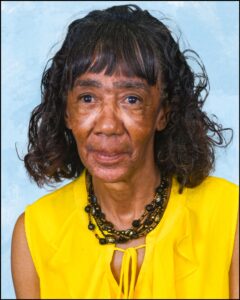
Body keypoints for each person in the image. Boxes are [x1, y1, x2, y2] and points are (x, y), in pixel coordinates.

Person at [11, 4, 239, 299]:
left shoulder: (228, 215)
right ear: (66, 112)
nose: (107, 125)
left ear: (163, 112)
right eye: (88, 98)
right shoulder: (35, 233)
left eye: (131, 99)